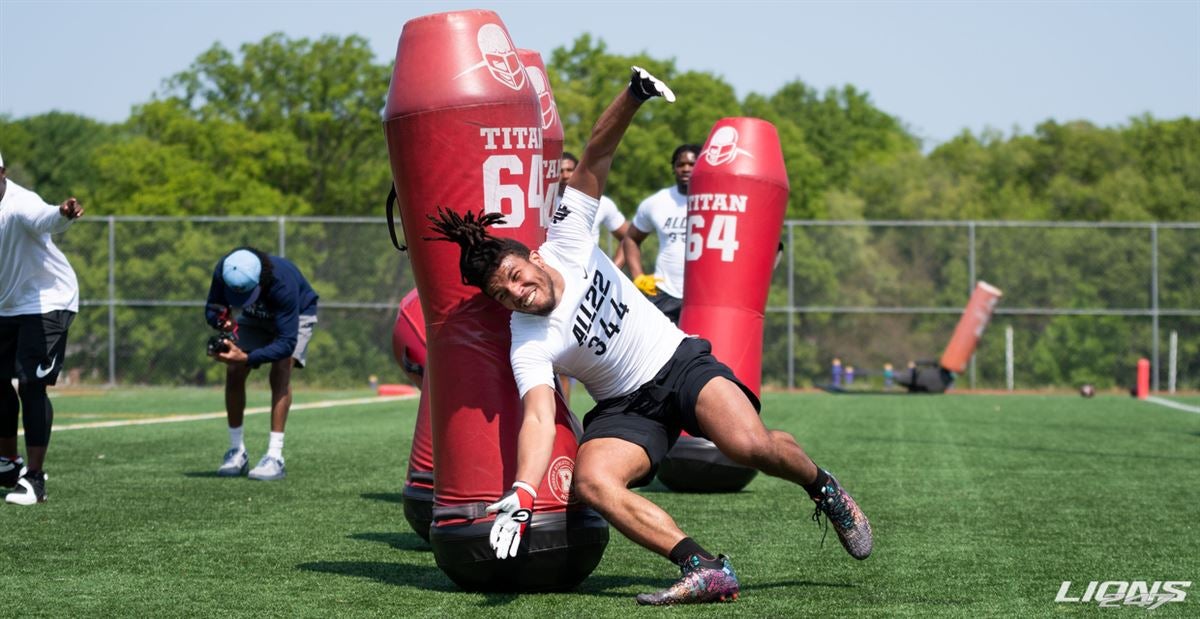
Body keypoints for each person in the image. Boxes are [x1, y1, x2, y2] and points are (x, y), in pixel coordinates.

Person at [427, 67, 872, 606]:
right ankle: (704, 567)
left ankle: (823, 487)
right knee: (592, 481)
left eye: (516, 279)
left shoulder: (567, 238)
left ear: (532, 257)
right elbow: (540, 416)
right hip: (626, 407)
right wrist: (522, 491)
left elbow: (595, 154)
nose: (517, 295)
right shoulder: (527, 336)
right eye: (502, 296)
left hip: (676, 362)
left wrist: (633, 96)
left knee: (745, 445)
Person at [0, 150, 84, 505]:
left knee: (32, 386)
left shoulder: (20, 204)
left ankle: (34, 479)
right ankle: (8, 463)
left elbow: (46, 217)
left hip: (47, 301)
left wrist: (63, 213)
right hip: (8, 304)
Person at [205, 248, 318, 481]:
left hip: (297, 314)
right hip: (256, 316)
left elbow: (286, 343)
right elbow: (212, 308)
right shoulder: (224, 270)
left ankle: (275, 457)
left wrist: (247, 357)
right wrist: (222, 322)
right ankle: (237, 452)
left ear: (260, 281)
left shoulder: (281, 284)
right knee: (234, 369)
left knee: (281, 368)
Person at [558, 151, 630, 403]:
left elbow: (629, 236)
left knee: (607, 353)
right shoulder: (543, 204)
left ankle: (620, 407)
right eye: (560, 169)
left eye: (570, 169)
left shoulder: (602, 203)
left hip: (595, 289)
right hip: (562, 290)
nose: (565, 175)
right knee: (561, 358)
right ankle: (565, 422)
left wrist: (615, 267)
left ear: (579, 171)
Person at [621, 143, 701, 324]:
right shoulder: (657, 202)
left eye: (692, 164)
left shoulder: (715, 200)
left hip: (703, 296)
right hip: (665, 293)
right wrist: (639, 276)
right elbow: (631, 238)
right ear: (673, 168)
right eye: (681, 165)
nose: (686, 169)